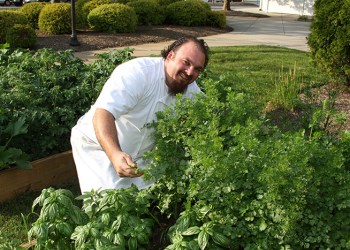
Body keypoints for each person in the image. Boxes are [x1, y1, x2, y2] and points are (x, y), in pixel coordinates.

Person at [70, 36, 209, 193]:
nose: (190, 72)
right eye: (186, 62)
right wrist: (115, 154)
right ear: (170, 56)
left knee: (146, 205)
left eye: (197, 69)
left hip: (141, 157)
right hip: (100, 149)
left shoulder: (191, 90)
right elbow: (103, 113)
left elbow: (205, 117)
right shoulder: (138, 73)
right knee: (108, 206)